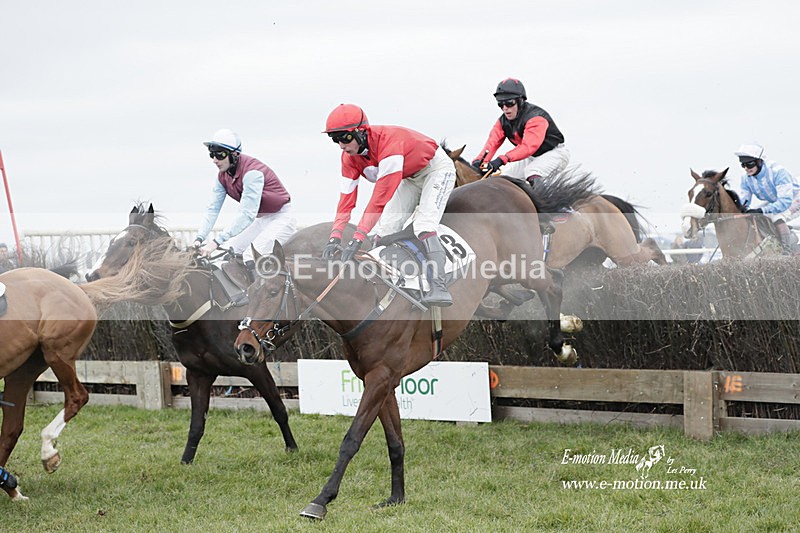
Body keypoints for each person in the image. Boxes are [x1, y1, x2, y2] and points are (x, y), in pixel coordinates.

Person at [321, 104, 456, 307]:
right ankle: (395, 281)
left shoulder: (389, 144)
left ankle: (439, 285)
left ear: (361, 132)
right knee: (385, 231)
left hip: (435, 169)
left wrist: (357, 238)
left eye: (344, 138)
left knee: (424, 225)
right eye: (335, 139)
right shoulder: (348, 158)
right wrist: (335, 236)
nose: (341, 145)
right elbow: (346, 200)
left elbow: (379, 199)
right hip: (410, 178)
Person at [194, 129, 297, 287]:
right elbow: (213, 209)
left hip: (282, 217)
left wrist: (215, 242)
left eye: (220, 155)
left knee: (251, 254)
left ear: (234, 154)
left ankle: (261, 301)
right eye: (212, 154)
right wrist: (199, 238)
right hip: (262, 219)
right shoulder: (222, 176)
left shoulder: (252, 173)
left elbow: (246, 215)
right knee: (230, 252)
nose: (215, 160)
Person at [471, 78, 569, 185]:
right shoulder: (502, 121)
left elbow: (528, 147)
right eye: (500, 104)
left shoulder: (536, 118)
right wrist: (479, 161)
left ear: (520, 101)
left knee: (532, 171)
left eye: (509, 103)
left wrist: (501, 160)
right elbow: (491, 144)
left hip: (555, 153)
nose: (505, 108)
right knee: (504, 180)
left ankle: (547, 201)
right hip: (532, 158)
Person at [735, 142, 800, 254]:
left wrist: (761, 211)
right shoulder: (746, 178)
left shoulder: (778, 172)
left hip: (793, 198)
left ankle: (786, 251)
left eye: (749, 164)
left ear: (759, 161)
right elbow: (744, 200)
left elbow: (784, 202)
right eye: (743, 165)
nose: (746, 168)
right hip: (775, 200)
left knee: (776, 215)